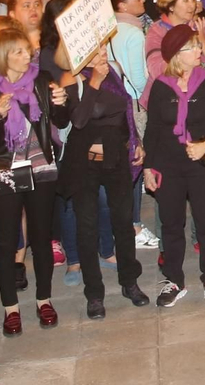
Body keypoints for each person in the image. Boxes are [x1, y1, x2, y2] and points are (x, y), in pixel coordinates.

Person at [0, 19, 67, 336]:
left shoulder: (42, 80)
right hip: (5, 170)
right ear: (2, 56)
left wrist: (62, 104)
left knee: (41, 237)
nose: (27, 57)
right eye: (18, 52)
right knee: (6, 239)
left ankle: (44, 299)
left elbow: (60, 119)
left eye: (28, 51)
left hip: (40, 166)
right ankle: (10, 309)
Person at [58, 35, 148, 319]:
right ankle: (94, 293)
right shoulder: (71, 79)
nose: (100, 54)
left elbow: (127, 113)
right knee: (87, 226)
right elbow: (80, 120)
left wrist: (136, 143)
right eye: (93, 50)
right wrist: (95, 81)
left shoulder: (115, 71)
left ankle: (129, 281)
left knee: (123, 222)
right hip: (85, 163)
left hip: (117, 158)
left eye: (101, 48)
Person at [145, 24, 205, 307]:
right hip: (169, 165)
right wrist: (148, 167)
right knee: (171, 225)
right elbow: (153, 129)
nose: (199, 50)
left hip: (204, 164)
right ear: (176, 55)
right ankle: (173, 280)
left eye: (198, 45)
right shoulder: (161, 86)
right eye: (192, 47)